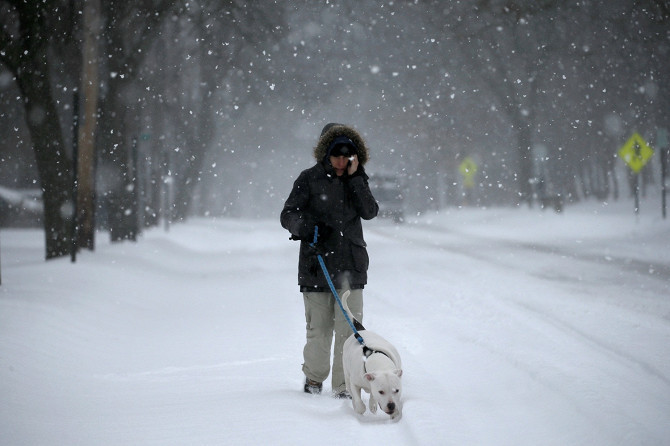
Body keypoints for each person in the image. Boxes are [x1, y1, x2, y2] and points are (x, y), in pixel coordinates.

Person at [281, 122, 379, 398]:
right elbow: (288, 215)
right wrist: (305, 227)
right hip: (316, 266)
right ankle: (314, 378)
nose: (340, 160)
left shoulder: (358, 180)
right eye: (336, 154)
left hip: (351, 267)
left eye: (347, 155)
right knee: (319, 332)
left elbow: (370, 211)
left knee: (349, 331)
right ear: (326, 153)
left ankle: (345, 385)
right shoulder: (308, 179)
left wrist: (355, 178)